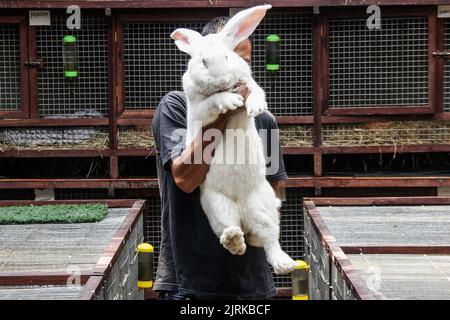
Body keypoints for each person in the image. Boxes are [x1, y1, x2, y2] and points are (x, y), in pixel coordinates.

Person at [151, 16, 288, 300]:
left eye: (244, 61)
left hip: (251, 282)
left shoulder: (263, 119)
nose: (235, 74)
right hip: (191, 282)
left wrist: (258, 228)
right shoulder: (177, 107)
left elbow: (274, 187)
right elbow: (185, 178)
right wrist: (222, 113)